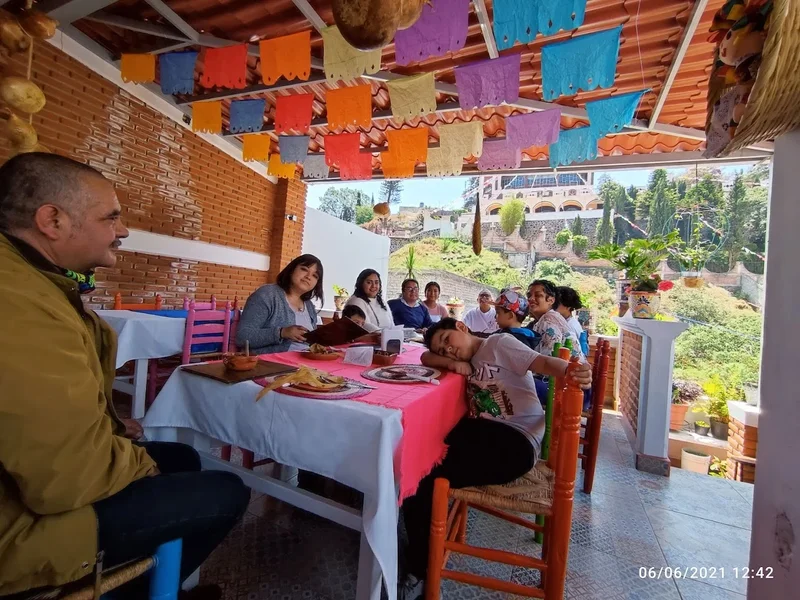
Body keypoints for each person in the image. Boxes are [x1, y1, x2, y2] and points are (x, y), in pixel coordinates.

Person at [0, 153, 249, 598]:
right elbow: (65, 476)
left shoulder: (38, 280)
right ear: (52, 221)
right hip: (15, 530)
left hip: (30, 484)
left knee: (186, 459)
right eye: (111, 217)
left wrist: (114, 430)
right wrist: (138, 462)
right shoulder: (17, 299)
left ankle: (160, 584)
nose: (123, 230)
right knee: (225, 490)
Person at [397, 318, 592, 598]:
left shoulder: (499, 344)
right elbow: (424, 356)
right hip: (489, 434)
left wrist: (572, 371)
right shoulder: (466, 357)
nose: (447, 350)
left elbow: (544, 364)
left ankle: (419, 568)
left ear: (462, 327)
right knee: (426, 441)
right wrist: (451, 363)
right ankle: (414, 525)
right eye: (443, 349)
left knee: (421, 470)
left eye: (448, 341)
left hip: (515, 443)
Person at [236, 254, 323, 354]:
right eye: (304, 269)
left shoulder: (309, 306)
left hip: (306, 363)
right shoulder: (267, 295)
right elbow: (242, 337)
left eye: (315, 276)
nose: (308, 277)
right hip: (269, 365)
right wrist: (281, 333)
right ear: (291, 270)